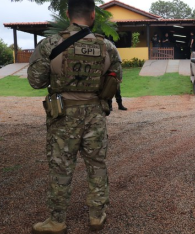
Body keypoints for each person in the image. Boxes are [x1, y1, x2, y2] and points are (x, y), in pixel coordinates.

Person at [27, 0, 122, 233]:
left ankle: (57, 221)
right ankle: (97, 216)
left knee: (60, 167)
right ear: (93, 16)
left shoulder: (51, 44)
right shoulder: (107, 47)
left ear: (68, 13)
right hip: (95, 114)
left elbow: (36, 81)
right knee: (97, 164)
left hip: (63, 116)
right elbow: (115, 79)